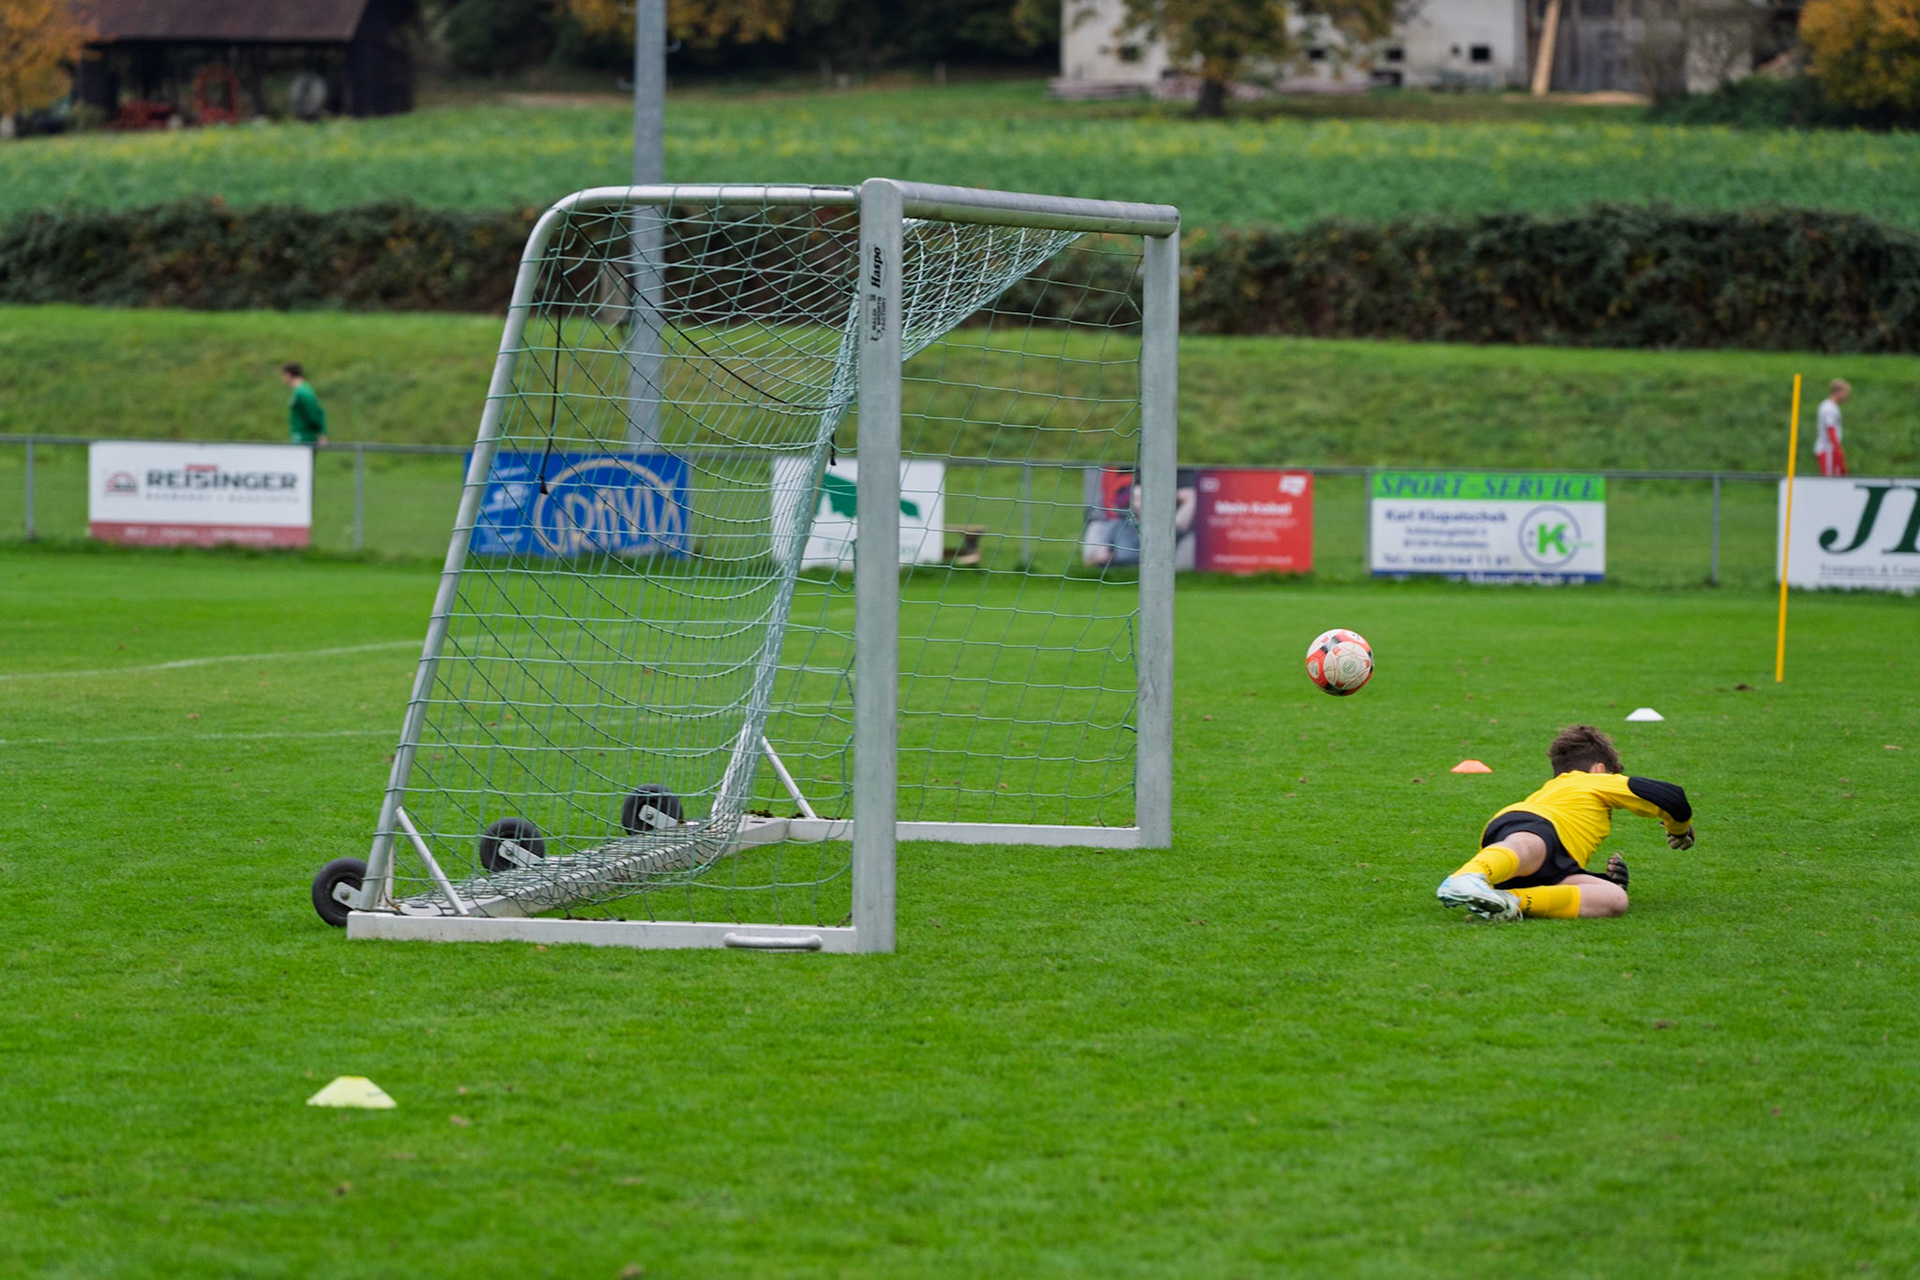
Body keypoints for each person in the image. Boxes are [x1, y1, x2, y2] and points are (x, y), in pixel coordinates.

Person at [1434, 724, 1694, 922]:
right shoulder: (1590, 780)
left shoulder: (1558, 788)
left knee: (1614, 899)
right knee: (1531, 847)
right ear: (1599, 770)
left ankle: (1506, 901)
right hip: (1537, 825)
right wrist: (1679, 831)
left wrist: (1604, 880)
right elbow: (1672, 797)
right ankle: (1467, 876)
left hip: (1554, 864)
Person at [282, 362, 328, 447]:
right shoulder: (300, 391)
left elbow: (314, 413)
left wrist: (321, 432)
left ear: (288, 374)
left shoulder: (302, 392)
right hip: (301, 436)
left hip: (304, 437)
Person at [1815, 378, 1849, 477]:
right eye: (1845, 392)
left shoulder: (1832, 406)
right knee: (1830, 480)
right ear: (1838, 391)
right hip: (1828, 449)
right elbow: (1830, 429)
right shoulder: (1829, 407)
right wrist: (1837, 449)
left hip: (1830, 449)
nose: (1846, 396)